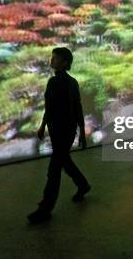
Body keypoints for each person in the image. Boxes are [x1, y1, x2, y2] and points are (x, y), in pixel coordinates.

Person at [27, 47, 91, 224]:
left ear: (65, 63)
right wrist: (42, 126)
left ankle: (45, 208)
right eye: (52, 57)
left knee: (54, 170)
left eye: (56, 58)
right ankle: (83, 185)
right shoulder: (56, 82)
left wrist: (82, 132)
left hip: (65, 131)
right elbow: (51, 107)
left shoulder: (67, 83)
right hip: (58, 130)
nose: (52, 60)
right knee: (64, 161)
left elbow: (77, 108)